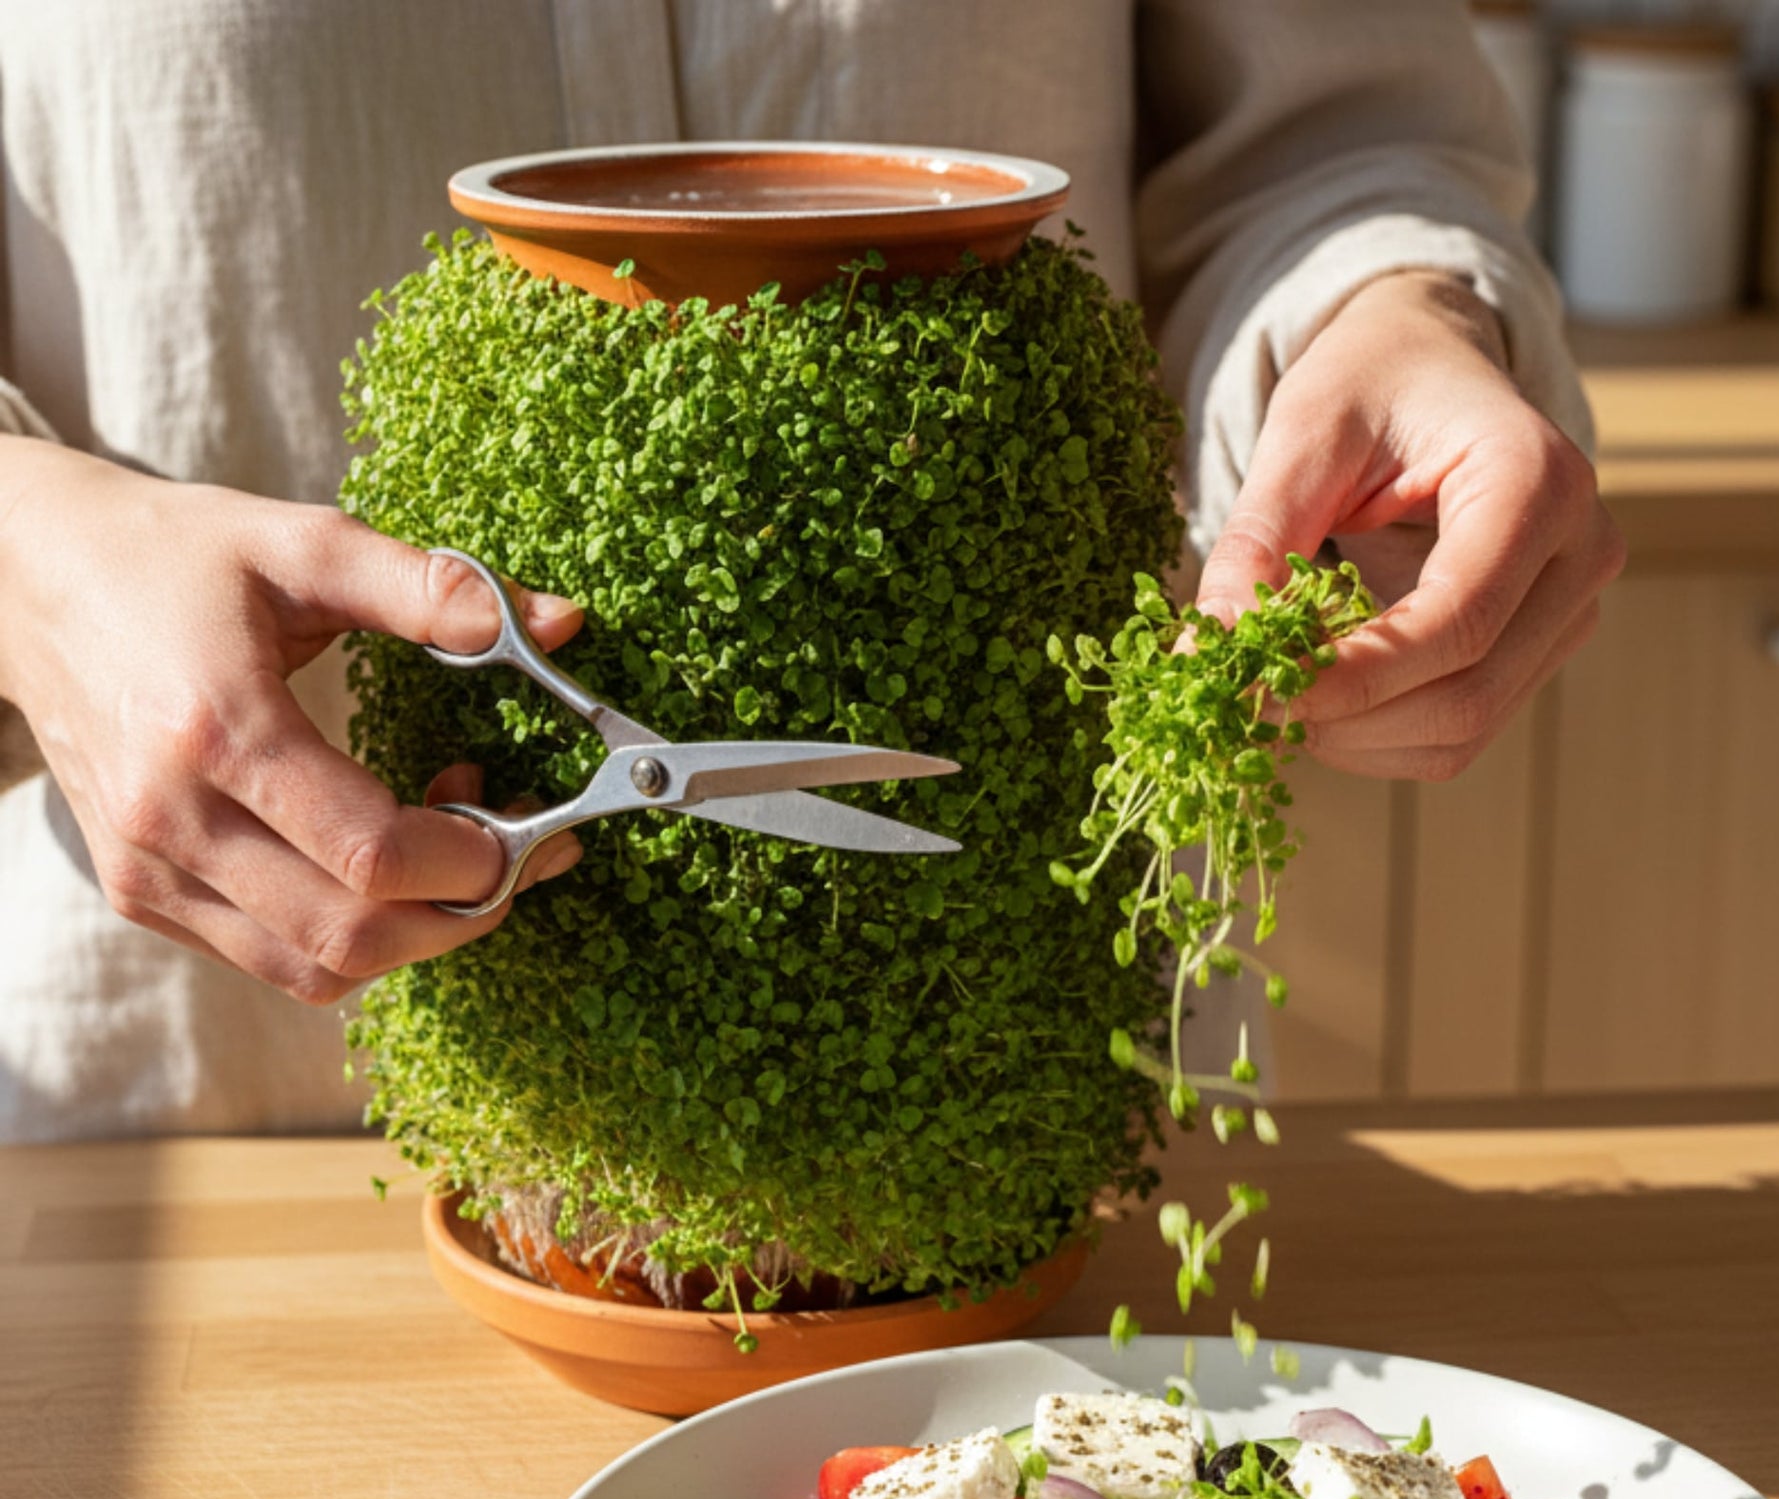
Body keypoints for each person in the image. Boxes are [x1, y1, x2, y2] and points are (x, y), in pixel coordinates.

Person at [0, 0, 1622, 1143]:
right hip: (191, 1137)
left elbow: (1331, 144)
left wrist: (1397, 314)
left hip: (1008, 1076)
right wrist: (32, 563)